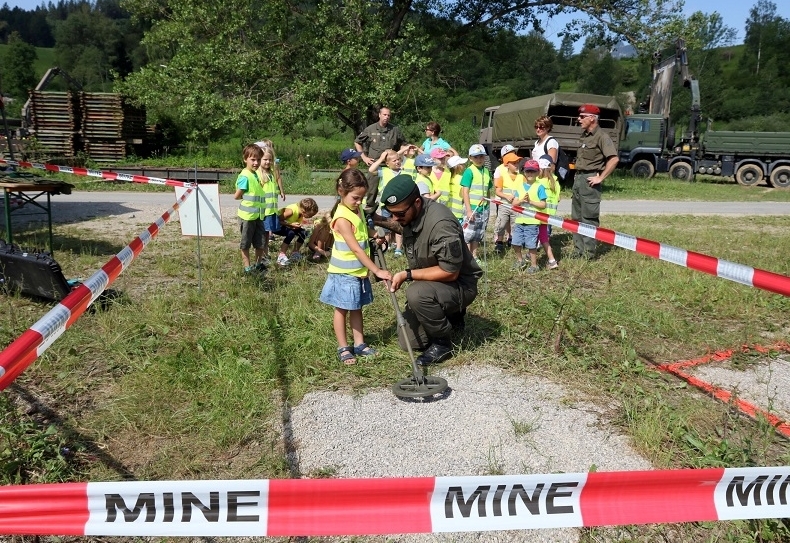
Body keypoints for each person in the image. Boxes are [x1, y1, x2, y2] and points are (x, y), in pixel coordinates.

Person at [376, 174, 483, 366]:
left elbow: (450, 272)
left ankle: (442, 343)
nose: (395, 218)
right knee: (409, 341)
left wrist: (407, 274)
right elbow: (403, 226)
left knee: (416, 293)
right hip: (435, 283)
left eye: (399, 213)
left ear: (417, 202)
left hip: (460, 284)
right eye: (391, 213)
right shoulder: (412, 213)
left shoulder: (441, 225)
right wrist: (378, 222)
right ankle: (450, 316)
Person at [319, 169, 391, 365]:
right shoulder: (341, 218)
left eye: (362, 198)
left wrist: (373, 233)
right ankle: (343, 347)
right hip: (344, 273)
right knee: (342, 309)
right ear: (341, 191)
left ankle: (359, 343)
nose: (359, 202)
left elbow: (360, 229)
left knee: (357, 307)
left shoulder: (355, 209)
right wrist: (376, 271)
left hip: (358, 272)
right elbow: (357, 250)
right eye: (355, 198)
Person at [571, 104, 619, 259]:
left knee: (588, 218)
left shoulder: (602, 137)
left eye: (582, 117)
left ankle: (588, 253)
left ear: (592, 118)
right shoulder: (585, 136)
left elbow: (614, 159)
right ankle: (578, 250)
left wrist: (601, 177)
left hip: (590, 180)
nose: (579, 119)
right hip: (579, 179)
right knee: (576, 217)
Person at [354, 107, 407, 213]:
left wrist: (399, 157)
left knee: (392, 188)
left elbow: (404, 144)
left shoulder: (394, 130)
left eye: (388, 115)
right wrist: (364, 157)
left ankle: (391, 209)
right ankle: (369, 211)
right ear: (379, 115)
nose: (386, 117)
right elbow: (357, 142)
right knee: (371, 189)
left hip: (390, 166)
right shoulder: (371, 129)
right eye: (384, 114)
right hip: (375, 163)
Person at [234, 143, 267, 273]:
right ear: (245, 159)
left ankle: (258, 265)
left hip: (258, 216)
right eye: (253, 159)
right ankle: (247, 268)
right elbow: (237, 196)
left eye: (258, 159)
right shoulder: (245, 176)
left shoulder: (255, 174)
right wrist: (241, 191)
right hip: (247, 217)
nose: (256, 162)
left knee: (260, 242)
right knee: (246, 243)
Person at [511, 159, 546, 273]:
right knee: (515, 242)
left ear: (537, 173)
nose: (530, 173)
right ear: (524, 172)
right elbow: (514, 203)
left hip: (533, 221)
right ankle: (520, 260)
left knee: (531, 245)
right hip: (520, 221)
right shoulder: (520, 187)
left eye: (533, 171)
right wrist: (521, 200)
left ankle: (534, 265)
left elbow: (543, 204)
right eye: (528, 171)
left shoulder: (539, 187)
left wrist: (531, 202)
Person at [461, 144, 493, 264]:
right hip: (473, 209)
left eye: (481, 157)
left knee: (478, 234)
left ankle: (474, 256)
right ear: (470, 158)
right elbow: (465, 191)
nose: (479, 159)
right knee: (468, 234)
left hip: (484, 209)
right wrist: (468, 210)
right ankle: (465, 257)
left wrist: (488, 205)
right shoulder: (469, 171)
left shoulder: (486, 171)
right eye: (476, 157)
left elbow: (488, 189)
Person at [256, 146, 283, 263]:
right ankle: (260, 257)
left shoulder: (271, 174)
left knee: (267, 235)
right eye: (265, 159)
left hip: (271, 210)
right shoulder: (258, 175)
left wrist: (281, 191)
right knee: (262, 236)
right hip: (263, 212)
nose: (267, 162)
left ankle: (265, 254)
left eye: (270, 159)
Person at [273, 198, 319, 266]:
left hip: (287, 226)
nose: (310, 217)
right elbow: (276, 220)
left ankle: (295, 253)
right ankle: (281, 256)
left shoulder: (300, 212)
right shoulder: (291, 211)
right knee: (291, 233)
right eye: (310, 215)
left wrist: (294, 225)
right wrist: (290, 225)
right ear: (304, 210)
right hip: (276, 227)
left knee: (304, 233)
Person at [493, 151, 522, 256]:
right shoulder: (502, 177)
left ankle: (514, 242)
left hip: (516, 207)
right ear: (507, 164)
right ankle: (499, 243)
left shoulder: (521, 177)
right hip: (504, 205)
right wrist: (506, 196)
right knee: (501, 224)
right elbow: (497, 191)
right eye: (514, 163)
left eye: (517, 162)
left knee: (516, 225)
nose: (516, 165)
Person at [536, 154, 559, 270]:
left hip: (539, 214)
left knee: (539, 237)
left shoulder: (539, 182)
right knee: (543, 237)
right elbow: (558, 199)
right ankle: (551, 260)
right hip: (549, 216)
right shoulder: (555, 182)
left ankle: (550, 260)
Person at [445, 155, 468, 220]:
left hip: (447, 211)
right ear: (457, 167)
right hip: (458, 212)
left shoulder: (446, 178)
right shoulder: (461, 179)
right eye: (462, 164)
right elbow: (464, 195)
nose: (464, 166)